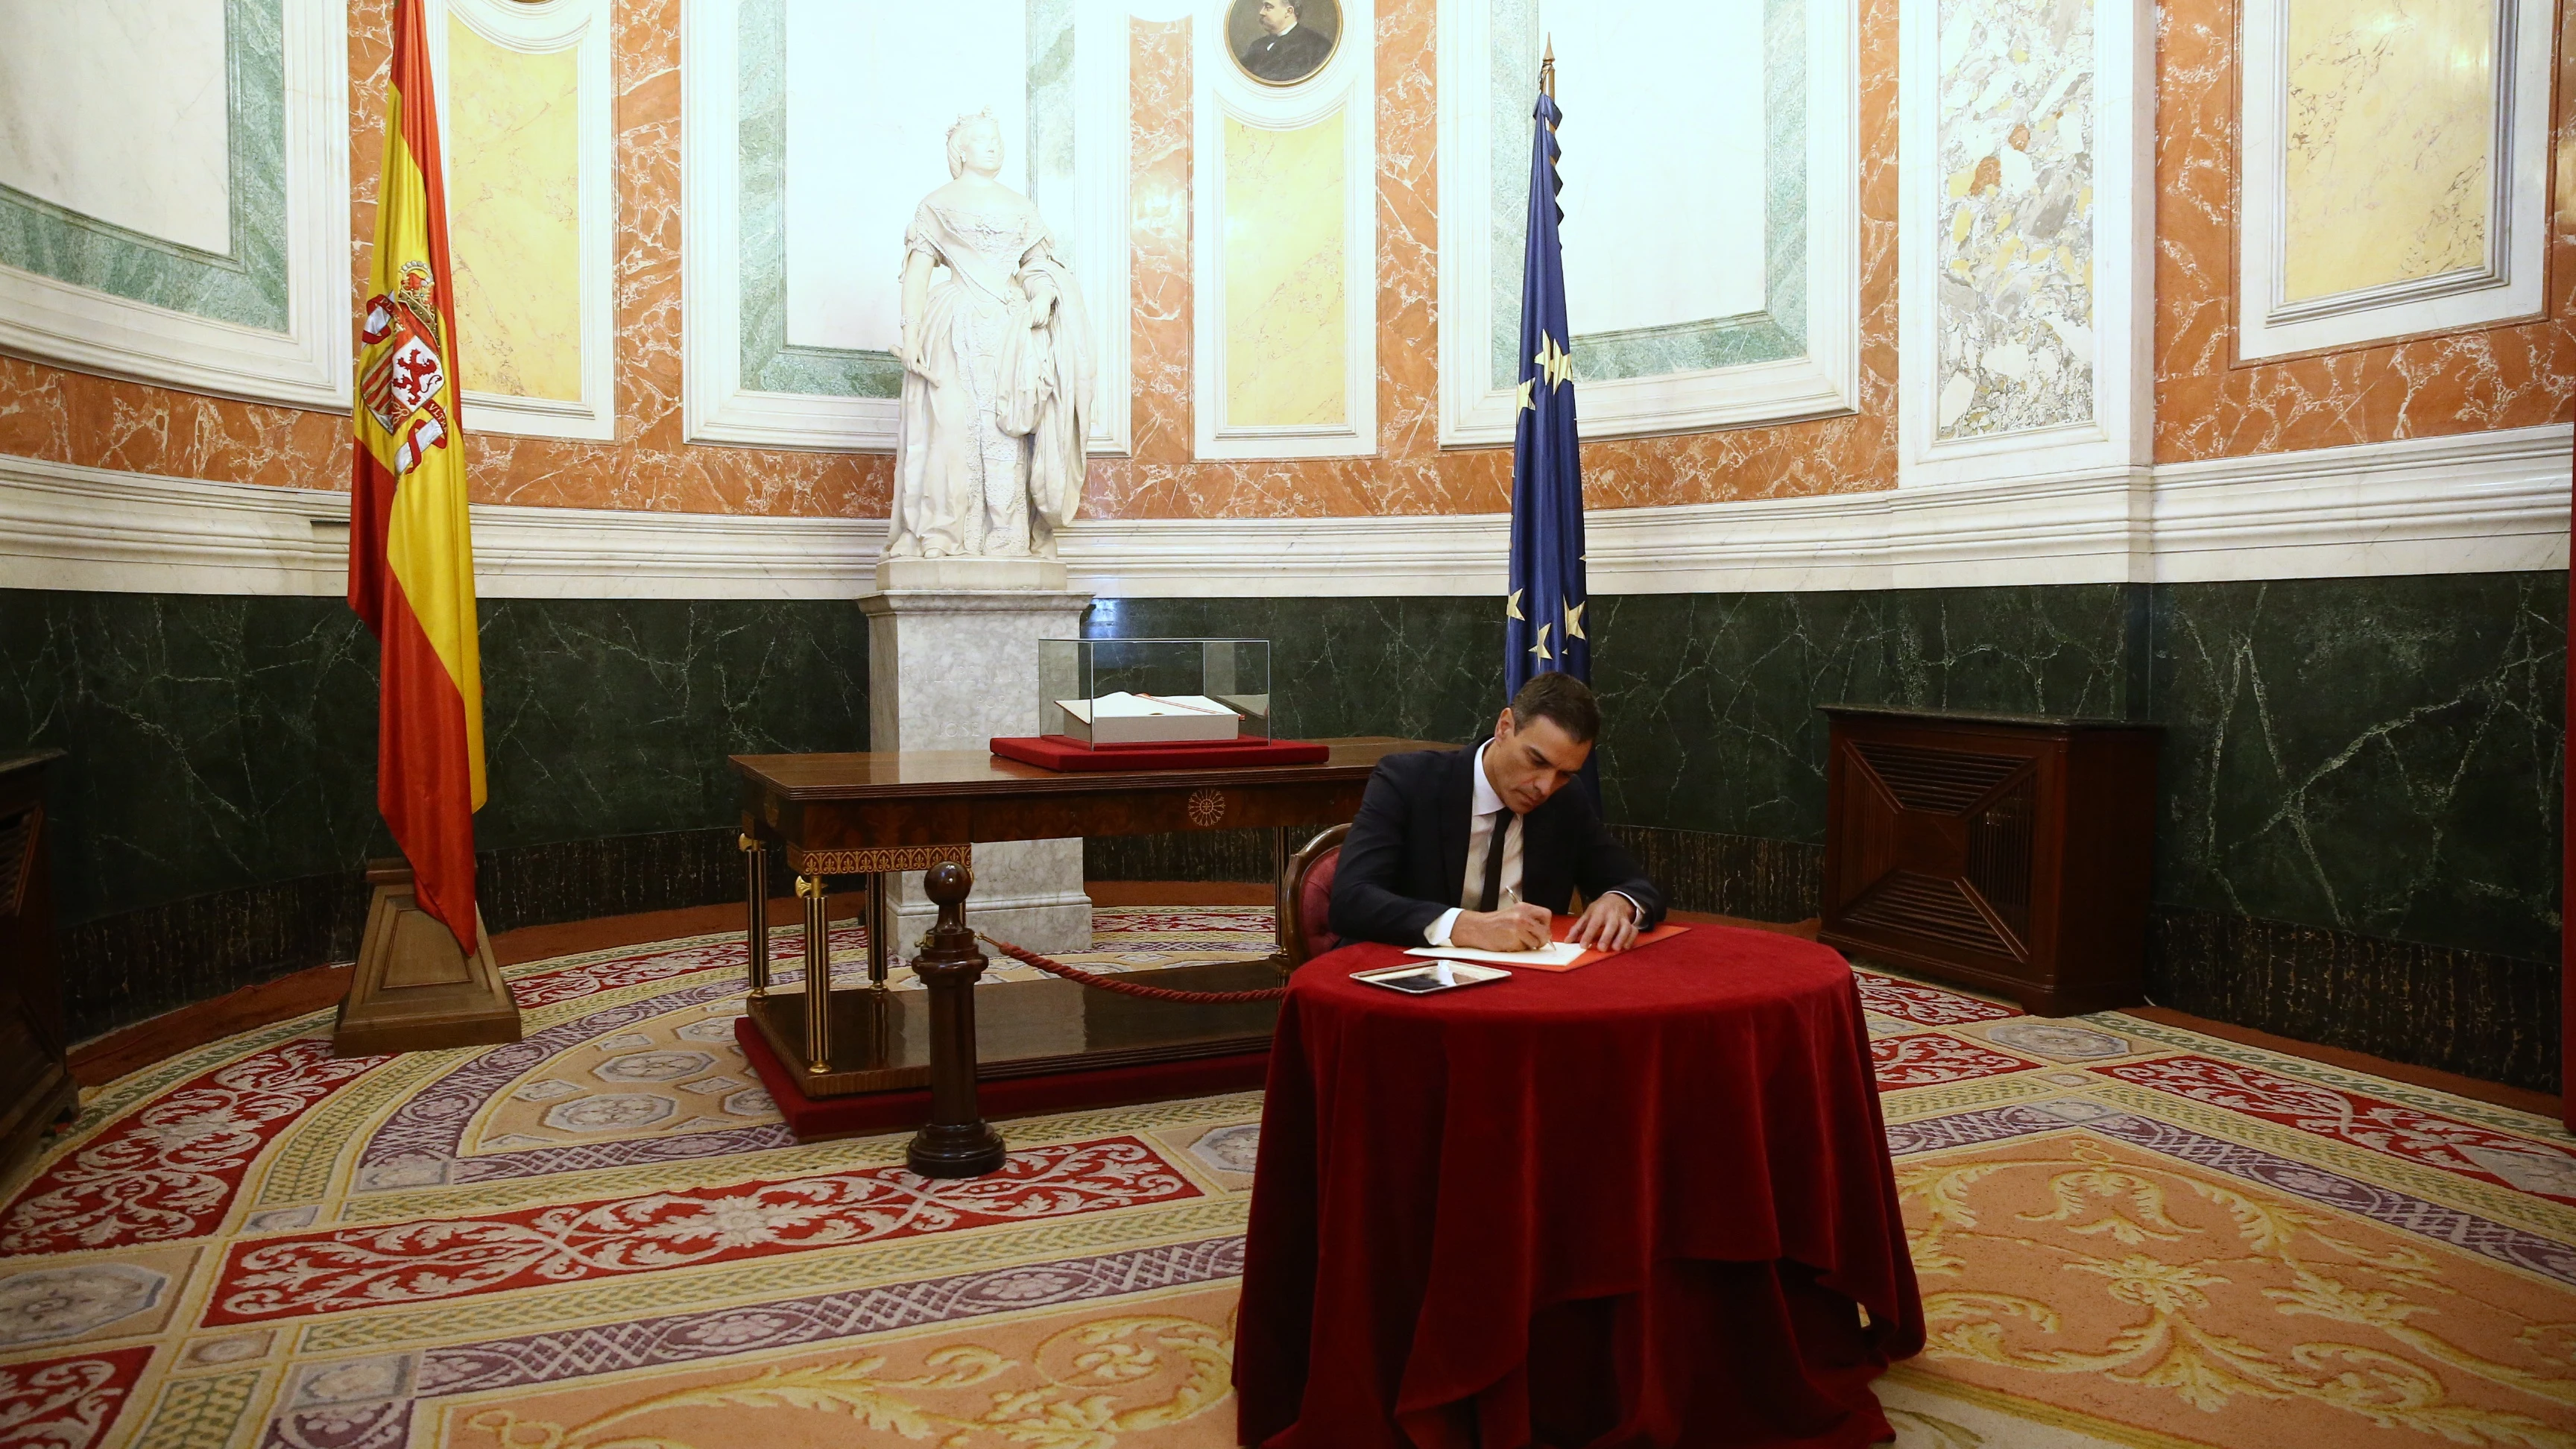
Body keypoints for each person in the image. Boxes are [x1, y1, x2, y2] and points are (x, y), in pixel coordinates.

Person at [1330, 673, 1665, 953]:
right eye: (1537, 761)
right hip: (1404, 977)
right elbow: (1352, 900)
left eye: (1565, 774)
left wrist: (1620, 902)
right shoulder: (1408, 782)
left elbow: (1636, 885)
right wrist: (1466, 927)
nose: (1545, 787)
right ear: (1504, 727)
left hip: (1520, 990)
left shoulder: (1565, 801)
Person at [886, 110, 1093, 561]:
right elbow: (917, 273)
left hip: (1012, 330)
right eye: (982, 140)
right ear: (961, 151)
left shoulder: (1021, 207)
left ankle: (1007, 534)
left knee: (1009, 430)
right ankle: (943, 534)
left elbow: (1038, 266)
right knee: (950, 427)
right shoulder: (936, 204)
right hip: (953, 326)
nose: (994, 146)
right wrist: (912, 333)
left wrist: (1042, 296)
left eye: (998, 139)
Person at [1237, 0, 1333, 83]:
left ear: (1288, 11)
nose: (1261, 12)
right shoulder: (1257, 45)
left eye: (1268, 7)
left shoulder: (1318, 46)